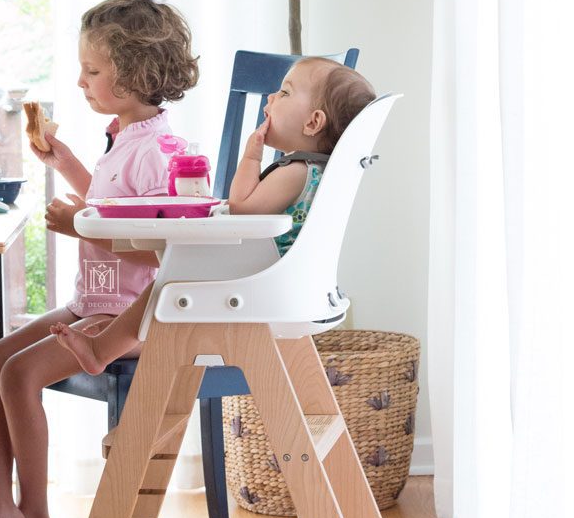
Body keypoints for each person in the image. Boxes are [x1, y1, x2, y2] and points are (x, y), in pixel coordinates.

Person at [0, 0, 199, 518]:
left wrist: (81, 229)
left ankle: (36, 517)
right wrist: (66, 163)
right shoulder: (125, 138)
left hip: (124, 315)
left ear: (134, 75)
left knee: (19, 377)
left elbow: (166, 253)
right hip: (91, 302)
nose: (81, 82)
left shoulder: (164, 153)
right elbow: (110, 202)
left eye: (92, 70)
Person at [51, 56, 375, 376]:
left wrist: (251, 154)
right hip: (281, 282)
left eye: (286, 93)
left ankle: (101, 349)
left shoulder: (295, 171)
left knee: (173, 280)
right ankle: (103, 347)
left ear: (313, 122)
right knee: (175, 279)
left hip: (261, 283)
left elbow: (242, 208)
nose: (272, 98)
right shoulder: (315, 170)